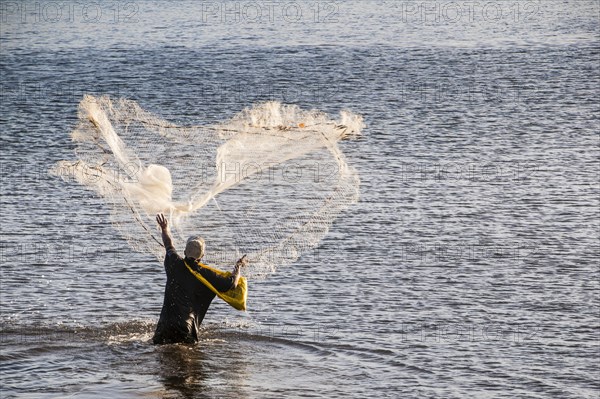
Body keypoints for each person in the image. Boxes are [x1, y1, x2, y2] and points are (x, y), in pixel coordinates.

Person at [152, 213, 248, 344]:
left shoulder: (173, 262)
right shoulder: (207, 275)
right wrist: (238, 267)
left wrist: (164, 228)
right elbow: (232, 284)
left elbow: (168, 243)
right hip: (186, 328)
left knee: (162, 357)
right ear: (202, 256)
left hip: (164, 325)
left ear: (185, 252)